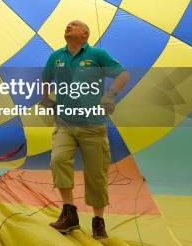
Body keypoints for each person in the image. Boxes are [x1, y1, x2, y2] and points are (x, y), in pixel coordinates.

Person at [40, 20, 130, 240]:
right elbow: (45, 80)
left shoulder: (97, 55)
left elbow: (123, 75)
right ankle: (69, 214)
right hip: (65, 124)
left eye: (74, 25)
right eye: (67, 24)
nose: (68, 26)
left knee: (96, 174)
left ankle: (98, 221)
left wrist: (110, 95)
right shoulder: (56, 57)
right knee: (58, 159)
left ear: (85, 34)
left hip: (93, 126)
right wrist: (46, 99)